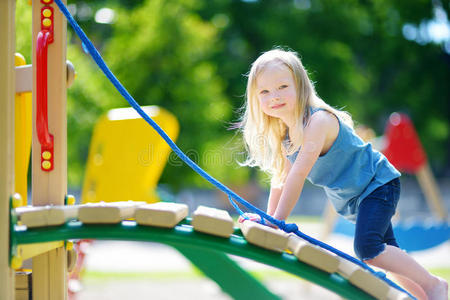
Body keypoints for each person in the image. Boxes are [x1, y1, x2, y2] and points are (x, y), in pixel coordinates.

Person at [238, 48, 448, 300]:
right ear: (255, 98)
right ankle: (423, 294)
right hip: (357, 198)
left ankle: (434, 284)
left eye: (283, 86)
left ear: (301, 86)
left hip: (376, 184)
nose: (274, 96)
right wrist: (268, 218)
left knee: (368, 249)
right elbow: (281, 179)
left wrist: (277, 221)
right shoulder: (286, 135)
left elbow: (298, 175)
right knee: (385, 253)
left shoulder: (318, 122)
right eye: (264, 91)